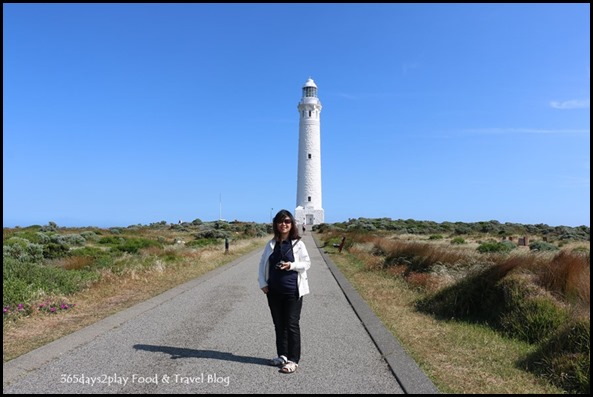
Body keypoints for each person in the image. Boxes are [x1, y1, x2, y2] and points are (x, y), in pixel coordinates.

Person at [258, 209, 311, 374]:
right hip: (273, 291)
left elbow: (307, 263)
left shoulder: (298, 244)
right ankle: (282, 355)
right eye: (281, 221)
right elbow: (262, 264)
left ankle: (293, 360)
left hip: (292, 291)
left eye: (287, 221)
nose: (284, 224)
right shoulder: (271, 243)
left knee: (292, 325)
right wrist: (263, 283)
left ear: (292, 224)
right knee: (279, 325)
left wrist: (291, 265)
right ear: (276, 224)